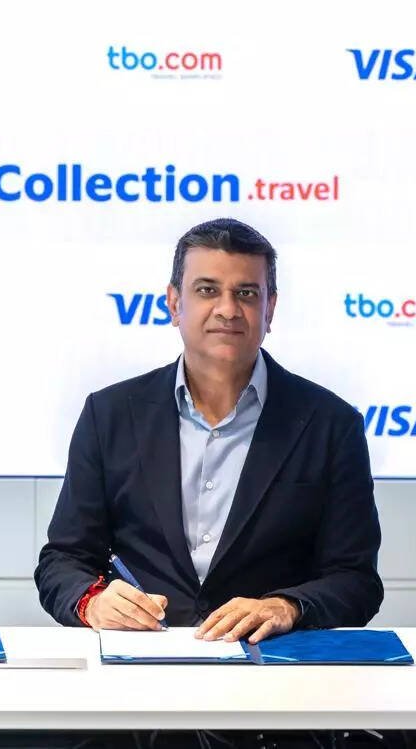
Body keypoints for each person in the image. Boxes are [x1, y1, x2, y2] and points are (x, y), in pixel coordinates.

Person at [35, 218, 382, 643]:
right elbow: (63, 561)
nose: (228, 309)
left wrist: (286, 607)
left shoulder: (331, 425)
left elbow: (356, 581)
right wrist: (93, 602)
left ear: (270, 309)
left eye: (246, 293)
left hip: (272, 665)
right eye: (207, 290)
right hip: (139, 659)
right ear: (174, 303)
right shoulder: (109, 415)